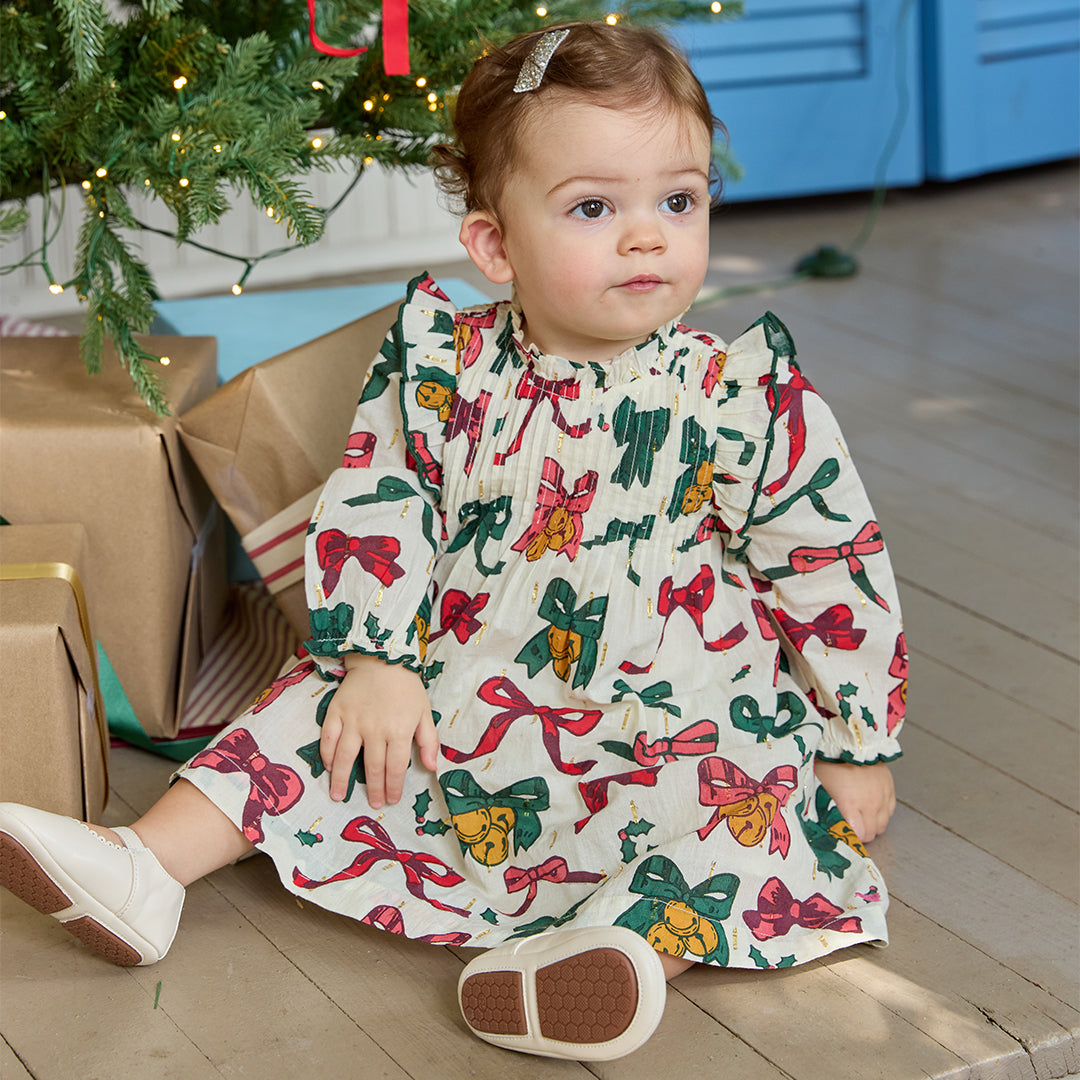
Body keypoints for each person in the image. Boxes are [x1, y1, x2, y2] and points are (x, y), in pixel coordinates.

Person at [0, 21, 905, 1062]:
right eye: (595, 207)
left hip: (673, 709)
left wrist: (856, 739)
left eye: (680, 199)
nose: (649, 235)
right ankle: (144, 868)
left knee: (755, 815)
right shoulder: (447, 365)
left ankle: (616, 957)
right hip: (463, 686)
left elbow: (829, 562)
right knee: (314, 717)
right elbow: (380, 505)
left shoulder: (739, 395)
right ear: (495, 245)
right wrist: (379, 659)